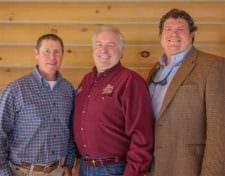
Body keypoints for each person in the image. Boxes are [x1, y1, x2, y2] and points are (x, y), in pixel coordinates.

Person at [148, 8, 225, 176]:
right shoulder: (155, 70)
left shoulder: (213, 66)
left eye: (180, 29)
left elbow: (220, 131)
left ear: (192, 35)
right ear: (161, 36)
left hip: (188, 167)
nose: (174, 34)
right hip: (155, 167)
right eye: (168, 29)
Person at [73, 25, 154, 176]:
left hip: (114, 169)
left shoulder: (130, 81)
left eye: (110, 45)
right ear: (93, 50)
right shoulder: (86, 80)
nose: (103, 50)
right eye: (99, 45)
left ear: (121, 51)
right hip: (84, 167)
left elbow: (142, 134)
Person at [0, 34, 76, 176]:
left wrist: (69, 164)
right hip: (21, 172)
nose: (52, 57)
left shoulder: (68, 90)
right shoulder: (16, 89)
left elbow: (71, 131)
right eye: (47, 51)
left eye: (57, 52)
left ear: (62, 55)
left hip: (58, 171)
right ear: (36, 53)